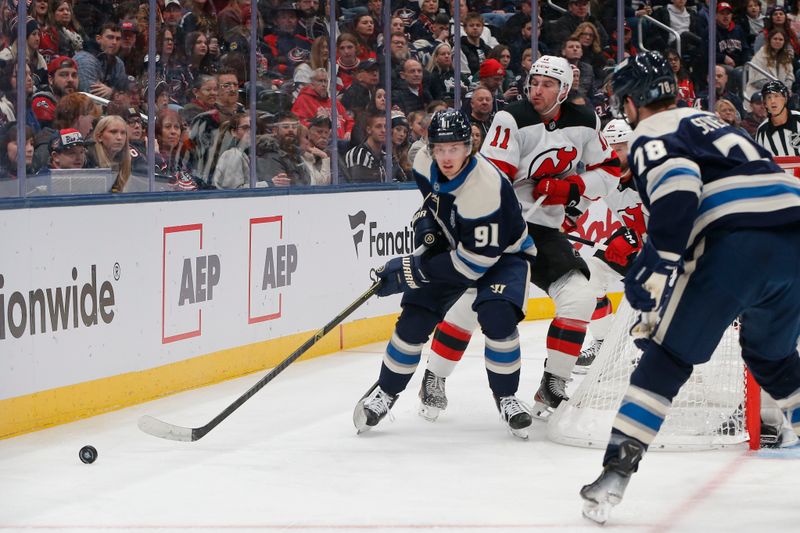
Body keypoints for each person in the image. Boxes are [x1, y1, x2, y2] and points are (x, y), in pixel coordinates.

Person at [580, 50, 800, 525]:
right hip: (795, 239)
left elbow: (679, 189)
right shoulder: (716, 124)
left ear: (634, 102)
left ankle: (616, 472)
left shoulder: (651, 132)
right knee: (772, 357)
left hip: (738, 244)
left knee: (668, 356)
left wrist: (653, 267)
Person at [419, 55, 620, 421]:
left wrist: (571, 188)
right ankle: (434, 375)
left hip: (543, 230)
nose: (536, 90)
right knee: (472, 306)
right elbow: (492, 180)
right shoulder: (512, 117)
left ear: (564, 90)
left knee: (579, 295)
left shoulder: (586, 121)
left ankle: (553, 383)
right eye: (534, 82)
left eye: (546, 84)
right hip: (502, 227)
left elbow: (608, 171)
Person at [352, 109, 537, 438]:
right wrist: (427, 224)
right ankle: (385, 392)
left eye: (455, 148)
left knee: (497, 316)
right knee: (413, 318)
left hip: (503, 257)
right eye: (440, 148)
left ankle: (507, 397)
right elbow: (433, 202)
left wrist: (412, 270)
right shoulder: (424, 162)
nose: (447, 156)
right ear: (430, 147)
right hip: (457, 249)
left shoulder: (486, 189)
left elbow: (473, 265)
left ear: (469, 147)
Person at [569, 119, 646, 373]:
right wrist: (558, 222)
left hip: (668, 255)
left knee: (656, 294)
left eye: (621, 147)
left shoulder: (650, 175)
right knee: (587, 275)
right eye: (610, 148)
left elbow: (674, 223)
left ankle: (656, 350)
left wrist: (635, 239)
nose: (615, 153)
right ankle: (603, 343)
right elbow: (577, 206)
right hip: (638, 251)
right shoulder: (606, 177)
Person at [755, 80, 800, 156]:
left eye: (776, 96)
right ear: (765, 104)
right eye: (769, 97)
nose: (773, 101)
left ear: (785, 99)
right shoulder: (762, 131)